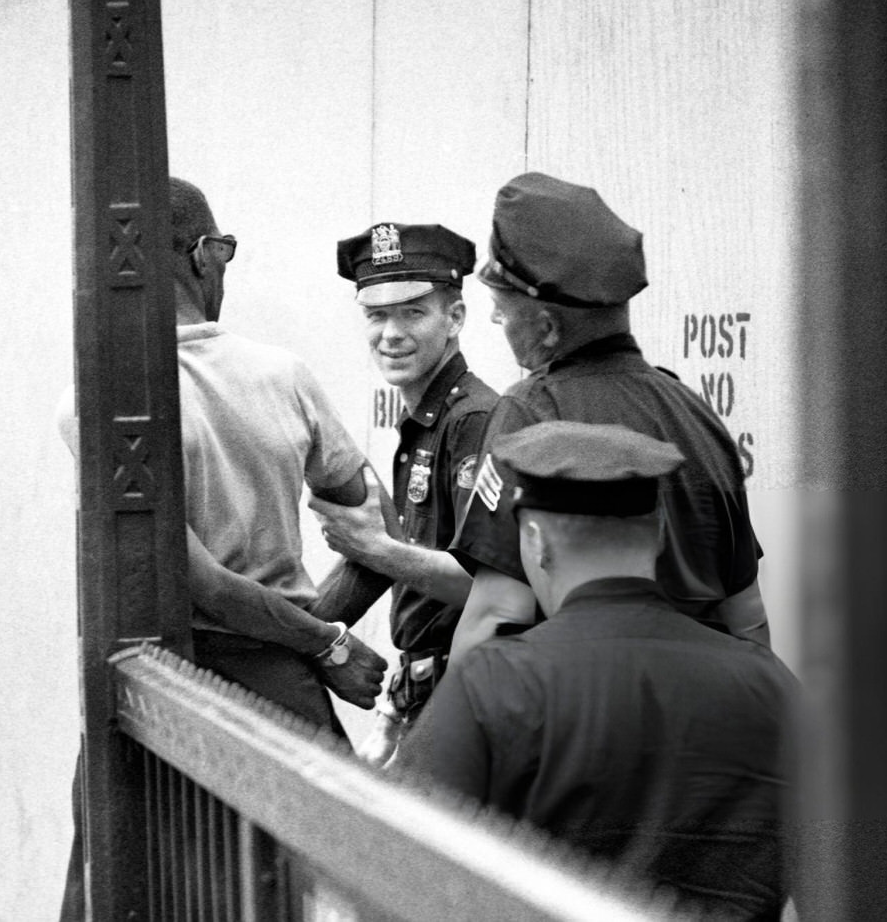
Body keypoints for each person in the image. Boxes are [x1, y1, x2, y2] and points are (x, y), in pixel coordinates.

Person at [56, 179, 387, 921]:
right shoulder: (284, 377)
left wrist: (316, 640)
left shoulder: (95, 403)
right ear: (205, 255)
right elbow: (375, 525)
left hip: (156, 696)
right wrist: (320, 637)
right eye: (225, 252)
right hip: (280, 694)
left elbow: (194, 580)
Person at [398, 420, 799, 919]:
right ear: (658, 536)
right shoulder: (771, 685)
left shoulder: (491, 685)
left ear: (537, 542)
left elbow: (400, 869)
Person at [449, 172, 769, 659]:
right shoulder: (700, 419)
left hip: (578, 715)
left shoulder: (529, 415)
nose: (496, 320)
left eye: (501, 307)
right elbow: (749, 620)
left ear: (548, 327)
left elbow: (496, 615)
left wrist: (448, 731)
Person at [307, 222, 497, 762]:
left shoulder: (473, 420)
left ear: (454, 318)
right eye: (376, 314)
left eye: (413, 312)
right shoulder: (427, 421)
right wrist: (299, 634)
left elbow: (486, 583)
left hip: (467, 700)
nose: (391, 333)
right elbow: (388, 563)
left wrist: (373, 548)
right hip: (424, 693)